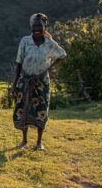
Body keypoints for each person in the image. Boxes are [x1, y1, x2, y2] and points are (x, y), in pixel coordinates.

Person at [11, 13, 66, 151]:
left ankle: (39, 142)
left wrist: (49, 68)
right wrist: (15, 83)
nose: (36, 28)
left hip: (42, 83)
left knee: (41, 110)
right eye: (34, 26)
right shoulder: (25, 41)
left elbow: (62, 54)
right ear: (31, 26)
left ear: (44, 27)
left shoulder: (49, 44)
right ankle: (24, 140)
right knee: (23, 109)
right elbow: (18, 62)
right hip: (25, 80)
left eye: (39, 26)